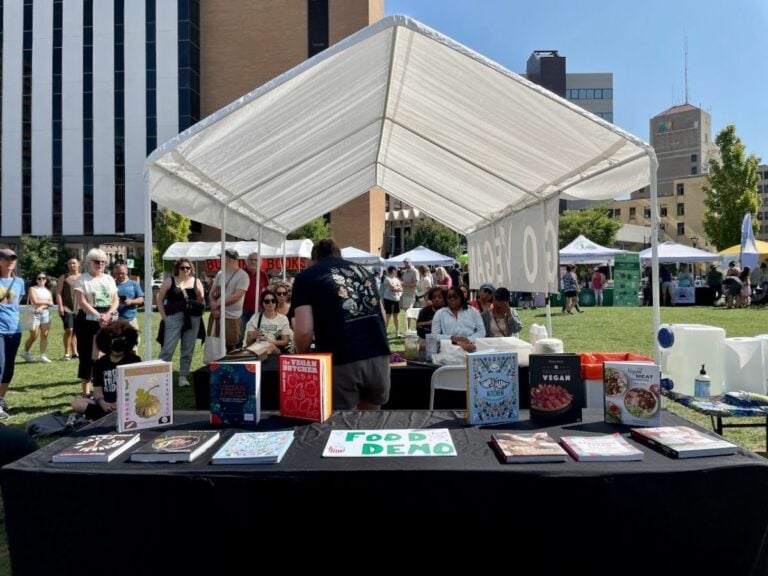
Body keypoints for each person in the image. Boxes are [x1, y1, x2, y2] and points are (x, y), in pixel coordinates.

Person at [291, 238, 390, 410]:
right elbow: (382, 314)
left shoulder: (306, 277)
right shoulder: (363, 271)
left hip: (341, 357)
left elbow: (304, 330)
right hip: (378, 353)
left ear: (314, 259)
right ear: (339, 255)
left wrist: (302, 354)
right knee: (372, 422)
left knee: (341, 425)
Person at [70, 320, 140, 421]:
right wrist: (103, 403)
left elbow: (137, 388)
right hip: (105, 403)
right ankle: (108, 415)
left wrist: (120, 402)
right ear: (106, 342)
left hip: (128, 402)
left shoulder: (134, 360)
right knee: (76, 403)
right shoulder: (100, 364)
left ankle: (100, 417)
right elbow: (97, 391)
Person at [74, 248, 119, 397]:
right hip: (87, 321)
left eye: (103, 262)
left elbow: (115, 299)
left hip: (108, 319)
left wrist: (109, 314)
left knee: (109, 354)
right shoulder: (82, 279)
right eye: (96, 261)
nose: (100, 264)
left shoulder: (109, 279)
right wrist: (98, 315)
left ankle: (106, 389)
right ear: (89, 263)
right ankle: (86, 392)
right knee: (87, 356)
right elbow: (82, 302)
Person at [157, 258, 205, 387]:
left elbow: (201, 301)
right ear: (177, 268)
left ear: (191, 269)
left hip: (192, 318)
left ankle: (183, 376)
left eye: (188, 268)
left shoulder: (196, 281)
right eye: (182, 267)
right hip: (174, 317)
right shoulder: (170, 281)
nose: (185, 270)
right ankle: (160, 375)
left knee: (188, 349)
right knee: (168, 349)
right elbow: (159, 301)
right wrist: (165, 318)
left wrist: (199, 295)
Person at [0, 248, 24, 419]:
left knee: (9, 367)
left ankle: (1, 398)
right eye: (7, 259)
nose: (11, 262)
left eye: (13, 259)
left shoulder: (19, 281)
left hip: (14, 328)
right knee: (0, 365)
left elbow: (17, 304)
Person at [210, 249, 249, 352]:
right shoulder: (220, 273)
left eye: (221, 258)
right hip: (217, 315)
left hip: (231, 317)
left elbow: (237, 296)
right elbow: (212, 291)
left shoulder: (243, 275)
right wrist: (214, 308)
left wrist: (217, 305)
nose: (219, 260)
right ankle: (216, 366)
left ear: (228, 259)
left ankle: (229, 366)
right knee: (214, 344)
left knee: (230, 346)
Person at [430, 286, 485, 351]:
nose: (452, 299)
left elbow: (482, 332)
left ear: (461, 298)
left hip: (470, 346)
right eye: (449, 297)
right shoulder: (440, 313)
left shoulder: (473, 311)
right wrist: (451, 338)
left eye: (455, 297)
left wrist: (468, 340)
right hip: (449, 348)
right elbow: (434, 335)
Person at [245, 289, 291, 355]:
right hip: (257, 346)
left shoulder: (283, 319)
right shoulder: (255, 317)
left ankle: (259, 355)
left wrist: (271, 341)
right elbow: (248, 343)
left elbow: (285, 342)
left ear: (276, 302)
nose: (270, 303)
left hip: (276, 349)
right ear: (262, 303)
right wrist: (253, 336)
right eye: (267, 301)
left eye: (273, 301)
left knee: (270, 346)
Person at [21, 272, 54, 363]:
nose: (41, 280)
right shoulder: (32, 289)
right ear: (36, 280)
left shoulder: (48, 291)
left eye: (43, 278)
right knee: (34, 335)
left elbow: (51, 303)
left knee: (44, 335)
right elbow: (35, 301)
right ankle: (25, 352)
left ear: (46, 280)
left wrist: (42, 306)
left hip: (45, 313)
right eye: (39, 278)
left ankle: (43, 355)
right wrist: (46, 302)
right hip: (34, 313)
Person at [239, 251, 269, 348]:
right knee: (240, 334)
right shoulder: (241, 274)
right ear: (246, 262)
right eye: (251, 260)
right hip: (242, 309)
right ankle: (237, 353)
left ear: (260, 262)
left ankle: (254, 351)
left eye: (256, 260)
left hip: (258, 310)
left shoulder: (263, 274)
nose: (253, 262)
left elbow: (267, 290)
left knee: (256, 334)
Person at [56, 257, 80, 360]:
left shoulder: (82, 277)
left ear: (78, 264)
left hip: (79, 308)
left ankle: (75, 352)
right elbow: (58, 293)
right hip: (67, 308)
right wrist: (60, 306)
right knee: (69, 329)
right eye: (70, 263)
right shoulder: (64, 277)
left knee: (76, 331)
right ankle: (67, 353)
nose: (72, 265)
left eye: (74, 263)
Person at [113, 263, 144, 331]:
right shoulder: (111, 284)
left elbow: (141, 299)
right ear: (114, 273)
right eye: (117, 273)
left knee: (133, 340)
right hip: (114, 320)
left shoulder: (133, 284)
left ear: (126, 272)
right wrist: (115, 301)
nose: (120, 275)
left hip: (131, 319)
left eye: (122, 273)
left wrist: (131, 301)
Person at [381, 265, 403, 337]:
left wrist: (398, 291)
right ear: (393, 271)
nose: (397, 271)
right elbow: (392, 288)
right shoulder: (387, 279)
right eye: (396, 270)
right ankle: (384, 332)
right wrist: (398, 288)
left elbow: (401, 289)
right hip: (388, 299)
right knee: (388, 316)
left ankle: (397, 333)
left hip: (396, 299)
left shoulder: (397, 279)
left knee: (396, 316)